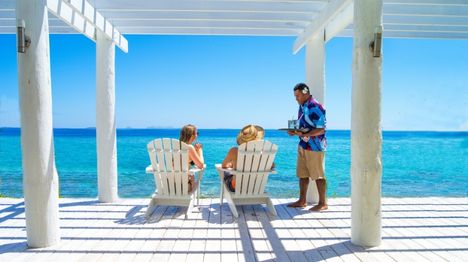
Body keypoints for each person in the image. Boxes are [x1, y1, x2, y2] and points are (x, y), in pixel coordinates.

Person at [287, 83, 328, 211]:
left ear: (305, 92)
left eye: (298, 95)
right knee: (302, 174)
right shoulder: (302, 106)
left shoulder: (316, 106)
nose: (296, 98)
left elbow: (321, 129)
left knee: (318, 175)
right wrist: (294, 132)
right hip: (303, 145)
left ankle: (323, 203)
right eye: (295, 96)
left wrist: (306, 134)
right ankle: (302, 201)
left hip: (315, 147)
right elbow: (305, 126)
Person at [221, 124, 265, 192]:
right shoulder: (262, 153)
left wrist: (234, 165)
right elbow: (272, 165)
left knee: (226, 172)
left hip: (236, 187)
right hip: (255, 187)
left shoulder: (234, 151)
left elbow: (224, 166)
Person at [179, 124, 204, 192]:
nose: (197, 135)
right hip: (183, 187)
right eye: (197, 133)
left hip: (169, 185)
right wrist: (200, 150)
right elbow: (201, 165)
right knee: (193, 178)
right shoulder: (189, 147)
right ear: (192, 135)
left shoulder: (177, 146)